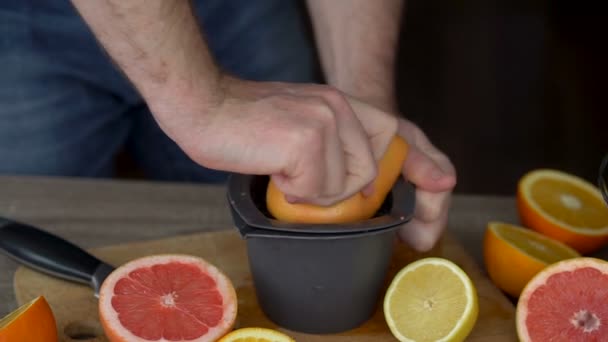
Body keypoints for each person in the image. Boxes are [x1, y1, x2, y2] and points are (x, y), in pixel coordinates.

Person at [0, 0, 455, 252]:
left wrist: (364, 104)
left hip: (237, 11)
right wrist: (204, 102)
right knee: (25, 249)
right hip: (21, 21)